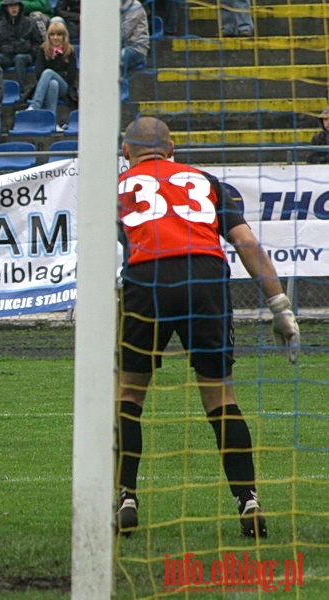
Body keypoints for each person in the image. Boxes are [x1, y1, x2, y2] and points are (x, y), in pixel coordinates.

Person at [115, 116, 300, 539]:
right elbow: (246, 242)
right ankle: (248, 498)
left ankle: (126, 495)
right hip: (205, 277)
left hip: (147, 279)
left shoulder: (120, 187)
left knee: (129, 391)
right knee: (219, 395)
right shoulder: (205, 180)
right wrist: (279, 305)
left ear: (126, 152)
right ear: (173, 147)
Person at [23, 19, 77, 130]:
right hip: (49, 85)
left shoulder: (70, 51)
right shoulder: (43, 50)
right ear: (48, 36)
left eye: (59, 34)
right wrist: (59, 74)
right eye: (52, 34)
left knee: (48, 72)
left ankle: (35, 105)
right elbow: (38, 73)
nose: (55, 37)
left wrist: (54, 72)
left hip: (66, 88)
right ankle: (52, 122)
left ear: (64, 36)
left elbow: (71, 76)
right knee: (53, 84)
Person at [0, 0, 39, 94]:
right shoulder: (0, 25)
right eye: (10, 6)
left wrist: (31, 51)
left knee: (19, 58)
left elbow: (37, 42)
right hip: (7, 56)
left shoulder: (30, 22)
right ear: (6, 8)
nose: (13, 8)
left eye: (16, 5)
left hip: (26, 55)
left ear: (20, 7)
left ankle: (19, 92)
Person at [120, 0, 149, 101]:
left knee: (116, 59)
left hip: (136, 49)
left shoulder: (135, 6)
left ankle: (122, 89)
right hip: (120, 47)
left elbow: (123, 34)